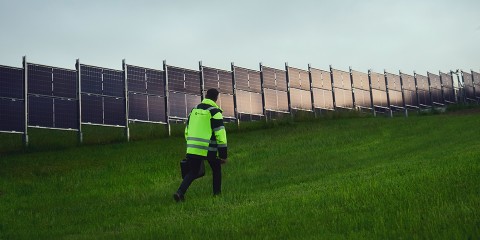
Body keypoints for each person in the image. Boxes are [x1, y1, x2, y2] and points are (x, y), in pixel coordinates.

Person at [174, 88, 228, 202]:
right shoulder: (215, 112)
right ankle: (217, 195)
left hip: (193, 147)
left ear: (206, 95)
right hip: (209, 148)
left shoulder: (194, 110)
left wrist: (190, 145)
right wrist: (223, 155)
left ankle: (180, 193)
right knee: (216, 169)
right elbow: (220, 134)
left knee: (193, 171)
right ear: (216, 98)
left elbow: (187, 130)